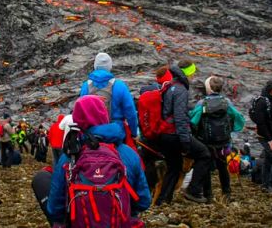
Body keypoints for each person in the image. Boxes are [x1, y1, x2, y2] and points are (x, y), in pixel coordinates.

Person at [44, 95, 151, 226]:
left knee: (41, 179)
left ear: (78, 121)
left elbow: (54, 208)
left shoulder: (69, 157)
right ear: (105, 116)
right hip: (120, 223)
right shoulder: (128, 153)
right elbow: (144, 201)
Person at [157, 61, 211, 204]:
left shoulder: (170, 86)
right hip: (175, 134)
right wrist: (186, 141)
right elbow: (180, 117)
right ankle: (193, 190)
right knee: (204, 154)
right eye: (193, 72)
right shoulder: (181, 90)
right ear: (188, 73)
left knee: (174, 167)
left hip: (165, 134)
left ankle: (162, 200)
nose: (194, 76)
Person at [189, 76, 245, 202]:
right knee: (223, 166)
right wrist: (233, 130)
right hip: (223, 142)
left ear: (207, 88)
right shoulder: (227, 102)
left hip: (206, 141)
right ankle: (227, 192)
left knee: (207, 168)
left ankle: (208, 194)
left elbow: (193, 120)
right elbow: (238, 118)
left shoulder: (202, 103)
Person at [79, 52, 139, 140]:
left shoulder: (85, 86)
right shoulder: (120, 85)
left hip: (92, 135)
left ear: (95, 66)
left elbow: (81, 113)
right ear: (110, 67)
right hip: (115, 134)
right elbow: (131, 113)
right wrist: (134, 133)